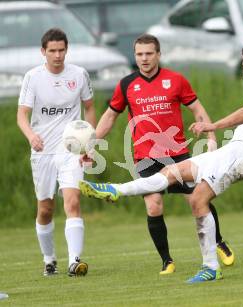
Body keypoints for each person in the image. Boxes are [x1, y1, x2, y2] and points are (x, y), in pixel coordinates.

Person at [79, 44, 243, 283]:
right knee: (172, 172)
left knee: (197, 199)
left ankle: (211, 267)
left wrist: (212, 126)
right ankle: (114, 190)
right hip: (238, 151)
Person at [83, 34, 234, 274]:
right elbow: (110, 116)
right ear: (135, 56)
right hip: (145, 157)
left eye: (149, 53)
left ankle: (218, 242)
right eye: (139, 54)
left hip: (178, 155)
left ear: (158, 55)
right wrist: (91, 144)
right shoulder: (126, 84)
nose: (144, 58)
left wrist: (211, 136)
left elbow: (197, 109)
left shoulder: (175, 80)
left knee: (198, 198)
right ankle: (167, 261)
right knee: (153, 206)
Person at [17, 28, 96, 277]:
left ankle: (75, 261)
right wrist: (31, 136)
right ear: (43, 52)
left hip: (70, 152)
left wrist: (88, 144)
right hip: (43, 153)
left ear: (66, 50)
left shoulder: (79, 75)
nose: (58, 55)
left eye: (62, 50)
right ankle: (49, 259)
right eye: (52, 50)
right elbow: (22, 115)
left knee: (72, 201)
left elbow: (90, 108)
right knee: (46, 209)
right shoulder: (33, 77)